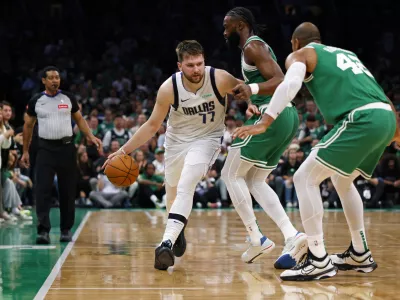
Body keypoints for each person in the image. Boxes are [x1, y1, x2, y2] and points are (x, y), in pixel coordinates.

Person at [233, 22, 400, 281]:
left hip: (361, 118)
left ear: (295, 42)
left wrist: (266, 120)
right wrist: (395, 132)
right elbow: (382, 97)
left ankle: (318, 258)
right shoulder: (348, 55)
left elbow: (289, 86)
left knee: (303, 178)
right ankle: (359, 252)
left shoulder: (301, 54)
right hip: (385, 117)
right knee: (342, 180)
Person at [104, 40, 241, 270]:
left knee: (187, 183)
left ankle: (165, 243)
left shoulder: (220, 78)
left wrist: (258, 107)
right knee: (172, 193)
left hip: (207, 140)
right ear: (180, 66)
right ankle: (177, 232)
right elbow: (151, 125)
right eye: (190, 65)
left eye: (199, 63)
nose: (196, 69)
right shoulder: (169, 88)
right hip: (176, 143)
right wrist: (122, 151)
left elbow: (247, 91)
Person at [220, 7, 306, 268]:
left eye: (228, 26)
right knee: (255, 180)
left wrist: (253, 89)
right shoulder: (251, 49)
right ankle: (293, 236)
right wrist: (252, 99)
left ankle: (256, 238)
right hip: (284, 116)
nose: (224, 31)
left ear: (241, 24)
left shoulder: (252, 47)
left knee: (229, 175)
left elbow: (281, 80)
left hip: (275, 115)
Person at [21, 66, 102, 244]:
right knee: (42, 190)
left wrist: (90, 136)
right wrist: (25, 151)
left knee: (67, 190)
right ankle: (43, 231)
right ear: (43, 80)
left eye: (57, 77)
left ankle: (66, 230)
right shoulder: (36, 100)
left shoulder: (68, 98)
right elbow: (28, 126)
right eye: (50, 78)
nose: (55, 80)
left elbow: (80, 119)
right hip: (45, 149)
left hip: (66, 148)